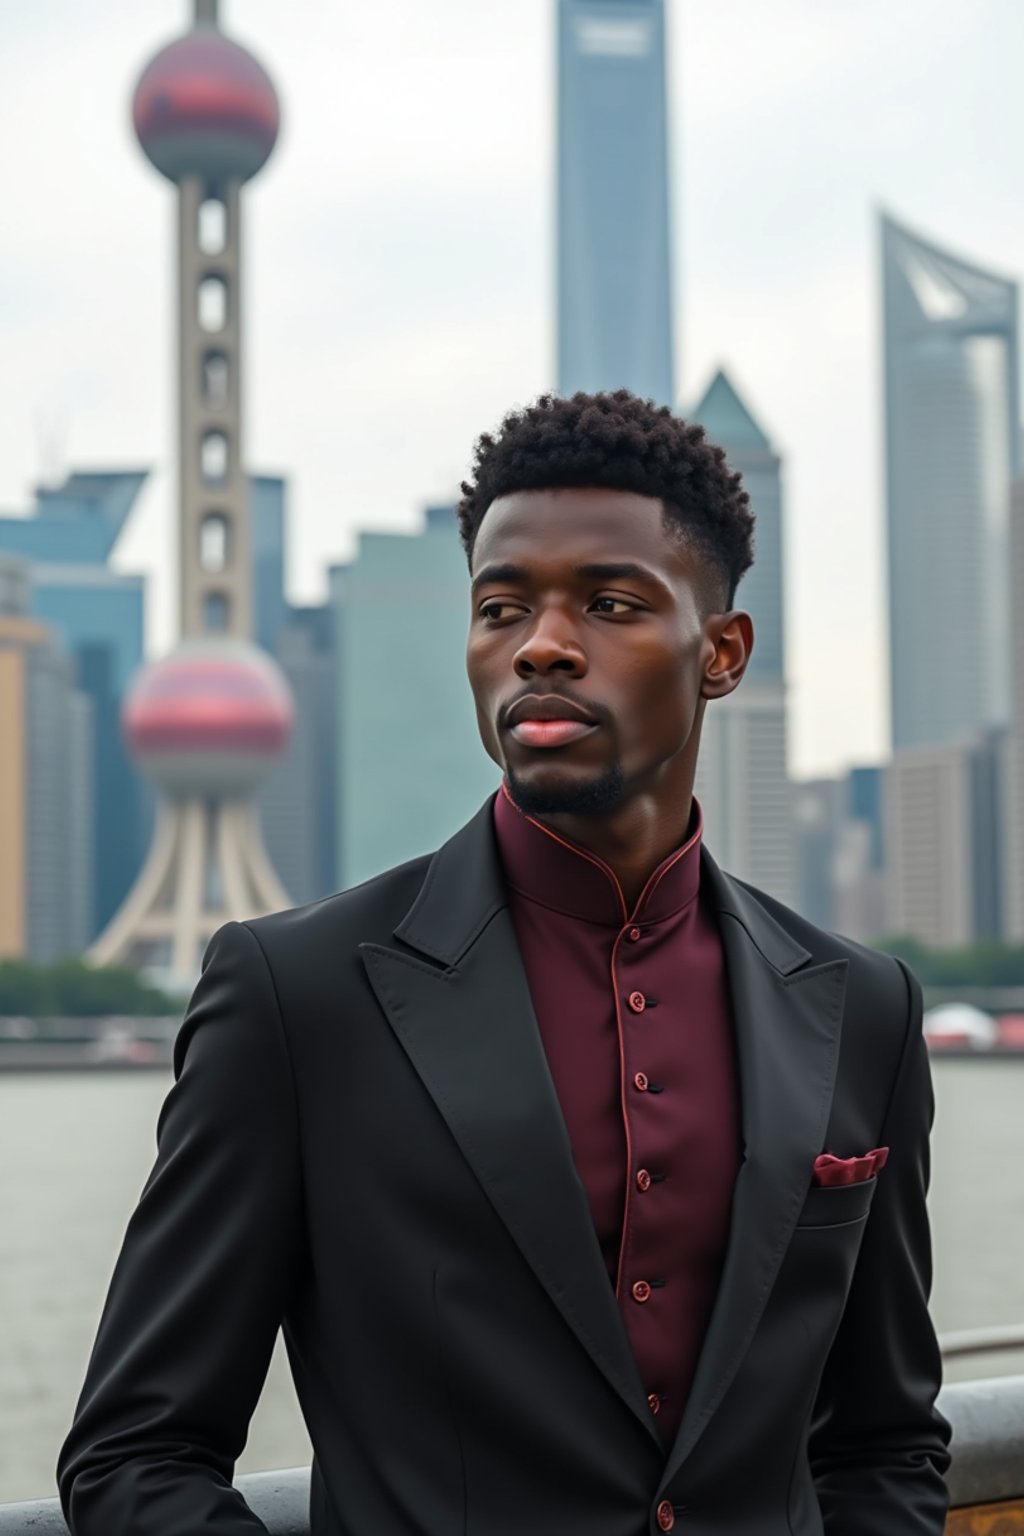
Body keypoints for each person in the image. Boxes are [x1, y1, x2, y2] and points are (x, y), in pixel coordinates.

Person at [59, 390, 951, 1536]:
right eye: (500, 606)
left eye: (610, 603)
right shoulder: (299, 998)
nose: (539, 642)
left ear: (721, 653)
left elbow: (883, 1443)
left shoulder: (860, 1008)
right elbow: (138, 1452)